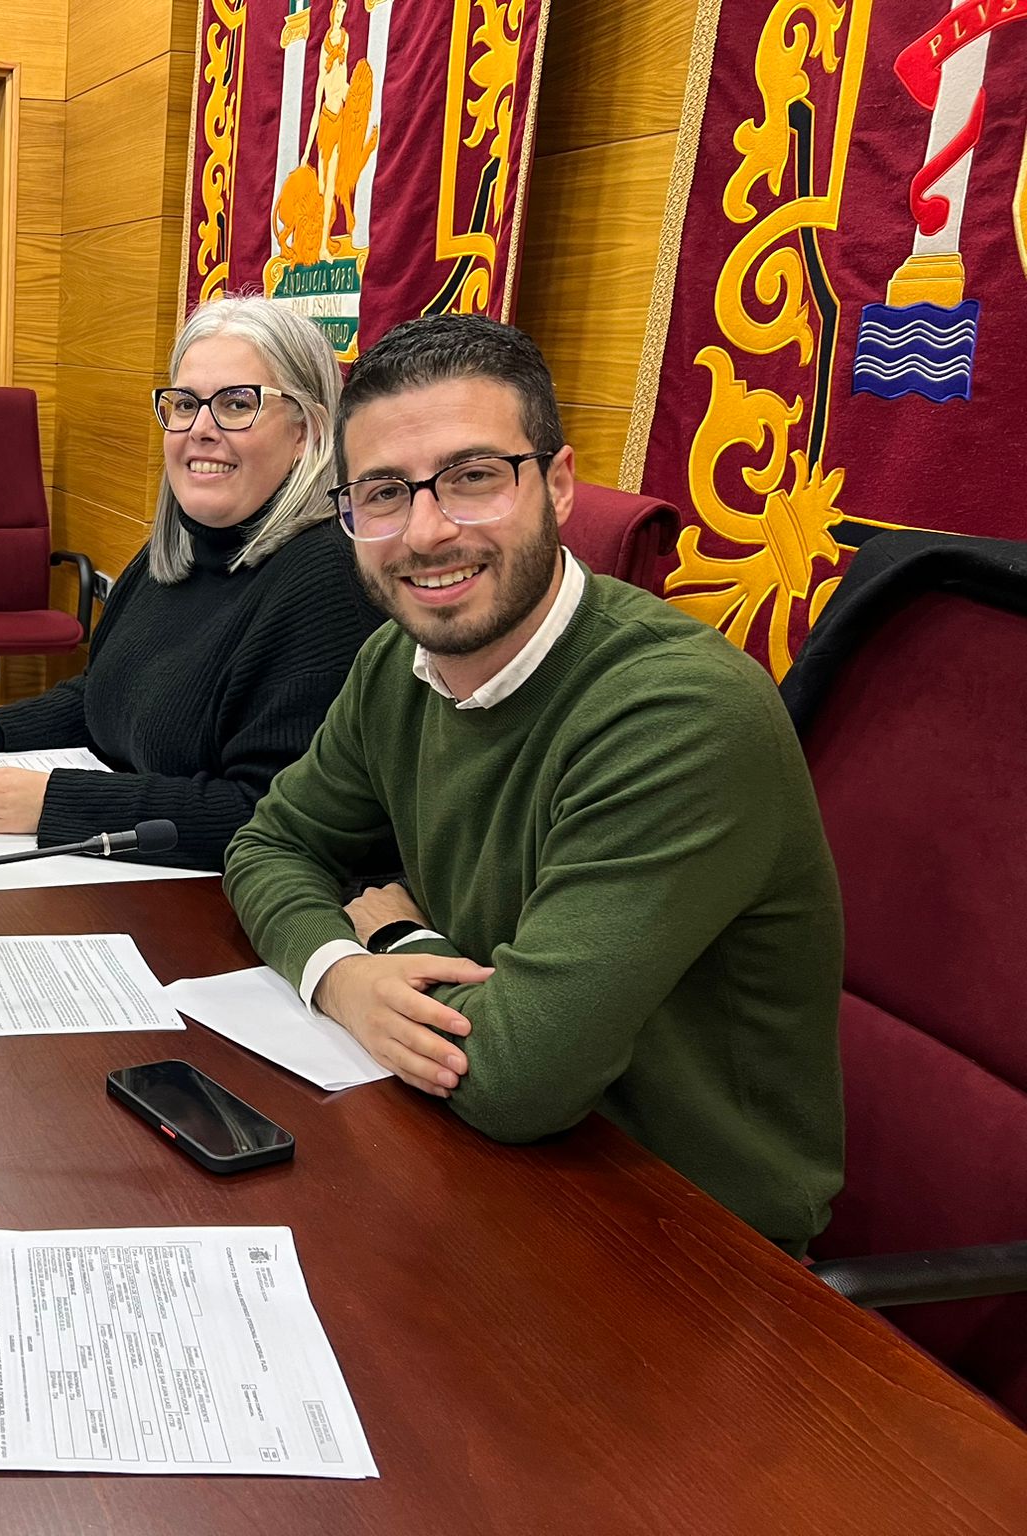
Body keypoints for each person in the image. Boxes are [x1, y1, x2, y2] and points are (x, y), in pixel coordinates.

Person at [223, 314, 845, 1254]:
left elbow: (517, 1077)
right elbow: (268, 844)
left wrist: (395, 934)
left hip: (689, 1240)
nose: (425, 531)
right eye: (384, 493)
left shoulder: (679, 713)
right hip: (474, 1160)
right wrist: (341, 974)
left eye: (472, 477)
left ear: (556, 484)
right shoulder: (397, 663)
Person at [0, 296, 382, 870]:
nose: (200, 430)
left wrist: (57, 802)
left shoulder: (328, 581)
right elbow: (109, 693)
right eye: (185, 404)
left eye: (237, 404)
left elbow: (272, 814)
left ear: (307, 431)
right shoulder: (174, 549)